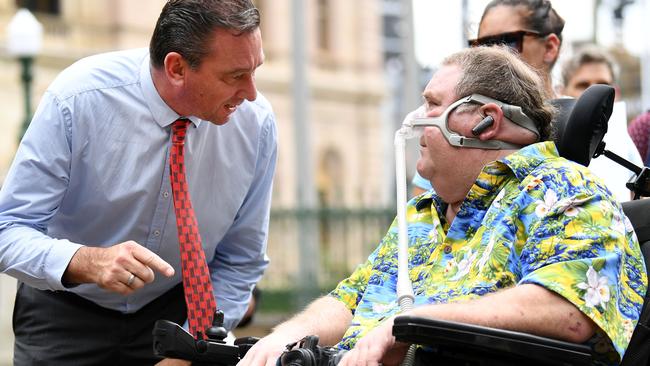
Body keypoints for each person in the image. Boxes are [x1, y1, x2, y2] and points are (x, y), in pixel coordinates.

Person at [238, 46, 646, 366]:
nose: (416, 119)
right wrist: (280, 339)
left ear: (485, 120)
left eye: (432, 104)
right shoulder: (421, 215)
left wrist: (416, 325)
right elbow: (350, 299)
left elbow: (570, 308)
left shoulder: (565, 188)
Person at [0, 0, 277, 365]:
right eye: (234, 76)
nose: (252, 93)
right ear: (177, 67)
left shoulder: (256, 126)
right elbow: (8, 229)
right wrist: (87, 261)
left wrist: (192, 346)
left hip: (179, 313)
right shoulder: (77, 100)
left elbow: (241, 261)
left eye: (255, 70)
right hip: (65, 309)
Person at [411, 0, 565, 196]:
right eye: (481, 46)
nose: (491, 55)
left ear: (550, 47)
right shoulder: (445, 137)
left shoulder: (580, 129)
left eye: (507, 43)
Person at [559, 45, 643, 201]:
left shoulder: (625, 141)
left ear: (615, 93)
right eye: (583, 85)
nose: (594, 95)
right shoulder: (548, 139)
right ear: (562, 91)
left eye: (602, 85)